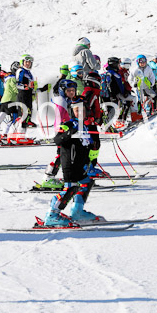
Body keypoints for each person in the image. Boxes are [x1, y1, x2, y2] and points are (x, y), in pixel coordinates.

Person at [43, 96, 103, 226]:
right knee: (71, 187)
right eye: (77, 110)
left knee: (87, 181)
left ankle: (77, 211)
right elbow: (57, 140)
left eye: (82, 110)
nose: (80, 113)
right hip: (70, 163)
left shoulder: (86, 127)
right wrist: (69, 133)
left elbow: (90, 146)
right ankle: (52, 215)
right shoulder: (67, 125)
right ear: (72, 112)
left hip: (81, 164)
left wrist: (91, 161)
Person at [40, 79, 78, 189]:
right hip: (62, 131)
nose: (72, 92)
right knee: (63, 155)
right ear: (63, 91)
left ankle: (50, 176)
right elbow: (60, 117)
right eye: (69, 90)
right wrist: (65, 128)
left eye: (73, 90)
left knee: (64, 154)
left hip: (64, 130)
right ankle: (48, 178)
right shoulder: (62, 101)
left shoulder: (64, 100)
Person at [0, 62, 20, 137]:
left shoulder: (7, 78)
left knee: (0, 119)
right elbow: (15, 88)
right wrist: (23, 92)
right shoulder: (12, 78)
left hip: (4, 100)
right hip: (10, 100)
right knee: (14, 118)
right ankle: (7, 134)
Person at [16, 54, 37, 131]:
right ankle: (18, 134)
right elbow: (17, 84)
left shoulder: (28, 72)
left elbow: (31, 86)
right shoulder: (21, 71)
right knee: (23, 116)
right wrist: (26, 86)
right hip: (22, 95)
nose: (28, 64)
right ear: (22, 62)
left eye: (30, 62)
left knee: (28, 114)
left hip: (28, 95)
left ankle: (22, 135)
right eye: (26, 62)